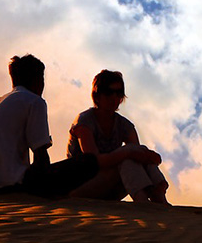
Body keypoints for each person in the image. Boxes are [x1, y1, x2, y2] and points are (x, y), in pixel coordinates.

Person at [0, 55, 160, 198]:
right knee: (88, 161)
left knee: (129, 156)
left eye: (118, 93)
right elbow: (40, 154)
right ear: (38, 80)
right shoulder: (34, 101)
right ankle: (152, 200)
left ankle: (155, 194)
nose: (115, 97)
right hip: (12, 186)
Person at [67, 70, 169, 204]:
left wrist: (147, 156)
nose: (114, 97)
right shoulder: (84, 121)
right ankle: (143, 201)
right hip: (80, 187)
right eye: (109, 92)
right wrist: (127, 153)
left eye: (118, 93)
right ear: (97, 96)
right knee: (128, 156)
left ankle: (158, 196)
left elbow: (139, 157)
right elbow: (94, 162)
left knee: (135, 153)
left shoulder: (125, 125)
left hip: (111, 188)